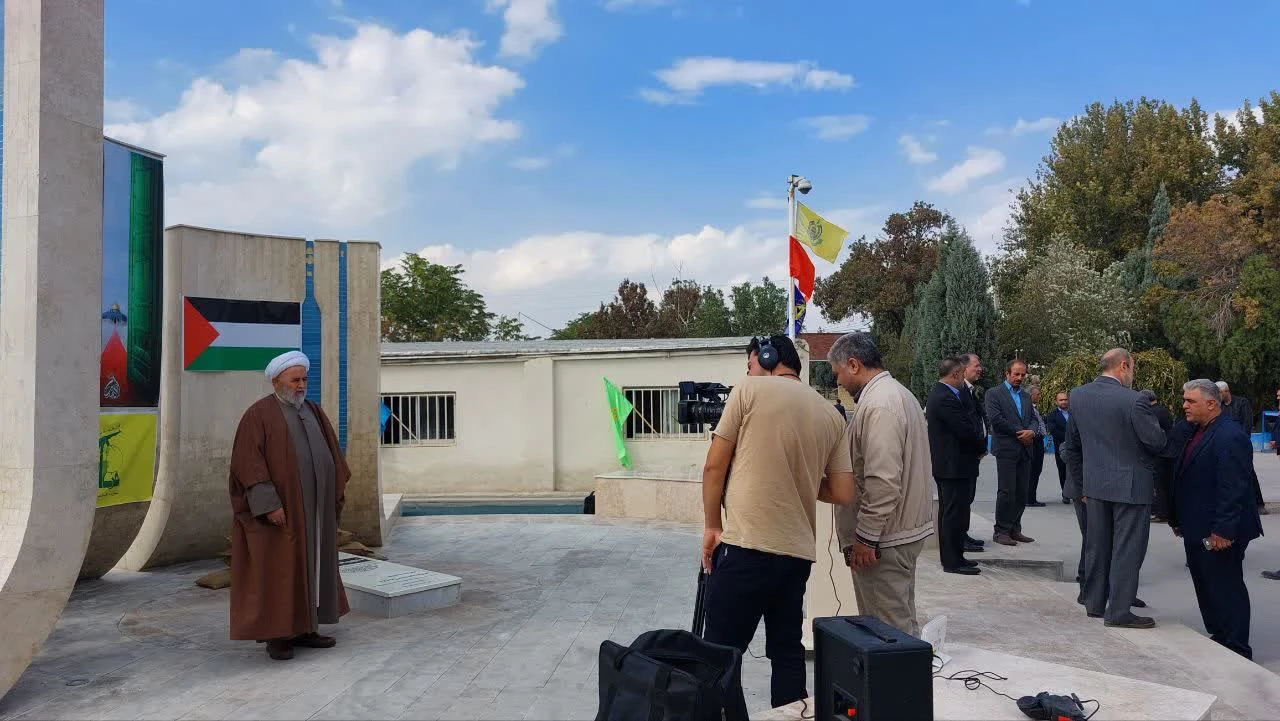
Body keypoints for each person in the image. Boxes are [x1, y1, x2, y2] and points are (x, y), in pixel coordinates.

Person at [700, 335, 854, 709]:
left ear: (767, 358)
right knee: (787, 653)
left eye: (750, 363)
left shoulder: (748, 390)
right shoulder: (830, 414)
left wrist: (712, 526)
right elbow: (842, 491)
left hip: (744, 548)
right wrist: (801, 479)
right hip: (795, 557)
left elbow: (713, 467)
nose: (749, 371)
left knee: (718, 657)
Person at [228, 350, 352, 661]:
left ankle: (307, 628)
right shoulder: (259, 415)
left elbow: (333, 455)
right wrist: (269, 504)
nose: (301, 385)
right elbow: (248, 463)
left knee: (314, 569)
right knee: (279, 571)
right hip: (282, 513)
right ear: (276, 381)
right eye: (295, 380)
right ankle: (278, 636)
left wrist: (332, 493)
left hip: (315, 513)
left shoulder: (313, 411)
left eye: (304, 379)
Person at [831, 332, 935, 637]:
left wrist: (866, 537)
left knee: (887, 633)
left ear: (853, 364)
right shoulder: (895, 395)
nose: (838, 382)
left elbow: (883, 479)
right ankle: (909, 668)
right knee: (898, 623)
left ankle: (905, 671)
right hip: (895, 533)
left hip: (885, 540)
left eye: (838, 373)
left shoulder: (880, 404)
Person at [1060, 349, 1166, 629]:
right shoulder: (1135, 400)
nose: (1133, 374)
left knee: (1097, 545)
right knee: (1127, 549)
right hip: (1131, 487)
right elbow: (1156, 441)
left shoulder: (1078, 395)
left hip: (1095, 486)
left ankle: (1094, 603)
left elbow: (1072, 446)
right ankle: (1119, 611)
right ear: (1123, 366)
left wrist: (1082, 485)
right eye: (1133, 368)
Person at [1169, 379, 1263, 659]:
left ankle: (1237, 646)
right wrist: (1179, 519)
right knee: (1206, 583)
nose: (1184, 406)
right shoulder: (1196, 431)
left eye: (1191, 401)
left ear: (1211, 404)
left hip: (1220, 530)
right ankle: (1220, 635)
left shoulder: (1229, 436)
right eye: (1184, 400)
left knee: (1225, 585)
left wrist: (1223, 530)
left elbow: (1233, 488)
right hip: (1196, 525)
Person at [925, 356, 987, 575]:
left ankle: (957, 556)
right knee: (952, 514)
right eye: (961, 374)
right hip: (952, 466)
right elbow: (964, 429)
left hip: (955, 465)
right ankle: (952, 561)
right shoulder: (944, 397)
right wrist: (980, 446)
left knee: (955, 513)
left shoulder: (948, 393)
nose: (963, 378)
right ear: (955, 374)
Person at [985, 359, 1037, 546]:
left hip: (1025, 449)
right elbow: (996, 420)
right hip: (1007, 448)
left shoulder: (1025, 396)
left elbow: (1033, 419)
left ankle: (1015, 528)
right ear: (1007, 373)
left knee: (1022, 491)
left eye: (1023, 374)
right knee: (1007, 491)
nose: (1020, 378)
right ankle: (1001, 531)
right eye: (1016, 374)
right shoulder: (994, 394)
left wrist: (1032, 431)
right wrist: (1020, 433)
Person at [1217, 381, 1267, 516]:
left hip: (1241, 445)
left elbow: (1247, 424)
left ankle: (1259, 503)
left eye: (1218, 393)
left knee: (1248, 472)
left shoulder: (1242, 403)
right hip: (1225, 446)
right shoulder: (1219, 407)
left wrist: (1240, 442)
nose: (1217, 396)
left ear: (1226, 391)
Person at [959, 354, 988, 552]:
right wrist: (977, 447)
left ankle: (964, 533)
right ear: (964, 368)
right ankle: (959, 538)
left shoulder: (969, 391)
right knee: (961, 499)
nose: (980, 369)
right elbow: (966, 425)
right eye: (976, 365)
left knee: (968, 497)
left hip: (973, 456)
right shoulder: (959, 392)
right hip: (964, 457)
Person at [1142, 390, 1175, 523]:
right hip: (1167, 452)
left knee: (1158, 484)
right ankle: (1165, 511)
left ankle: (1161, 513)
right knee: (1164, 483)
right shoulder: (1163, 410)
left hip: (1159, 454)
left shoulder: (1152, 413)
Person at [1044, 392, 1071, 504]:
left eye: (1065, 399)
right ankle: (1066, 494)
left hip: (1076, 447)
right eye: (1061, 400)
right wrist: (1067, 438)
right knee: (1063, 470)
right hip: (1061, 447)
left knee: (1076, 471)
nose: (1063, 402)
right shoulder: (1052, 415)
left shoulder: (1074, 413)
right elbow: (1053, 430)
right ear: (1056, 402)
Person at [1026, 386, 1049, 508]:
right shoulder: (1028, 409)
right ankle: (1029, 499)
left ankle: (1031, 497)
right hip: (1034, 442)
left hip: (1038, 441)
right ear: (1031, 395)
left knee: (1036, 471)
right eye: (1037, 394)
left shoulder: (1034, 408)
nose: (1039, 396)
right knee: (1033, 471)